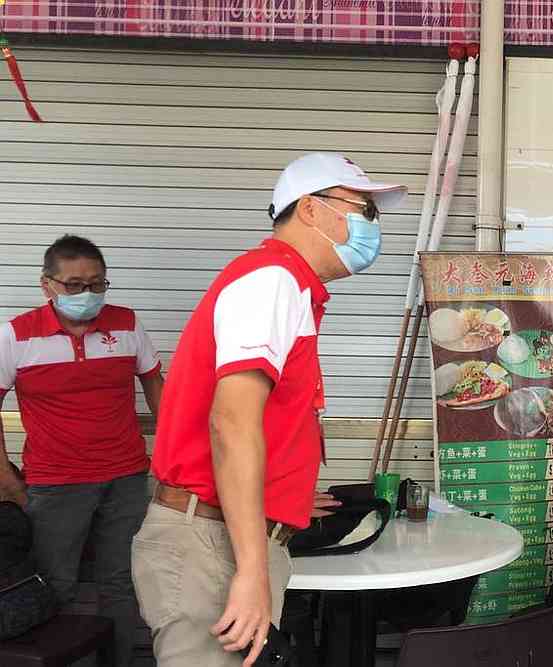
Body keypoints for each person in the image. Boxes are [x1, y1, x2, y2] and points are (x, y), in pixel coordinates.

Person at [131, 153, 406, 667]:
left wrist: (292, 498)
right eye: (363, 210)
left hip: (230, 534)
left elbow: (264, 424)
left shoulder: (290, 287)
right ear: (310, 209)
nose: (372, 226)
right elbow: (231, 422)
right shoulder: (271, 280)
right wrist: (252, 571)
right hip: (212, 543)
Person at [0, 234, 165, 667]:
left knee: (121, 582)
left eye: (97, 284)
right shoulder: (15, 336)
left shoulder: (127, 324)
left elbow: (154, 385)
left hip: (126, 477)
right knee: (55, 582)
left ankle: (119, 661)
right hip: (55, 484)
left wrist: (174, 452)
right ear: (47, 285)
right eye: (74, 285)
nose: (87, 294)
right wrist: (5, 480)